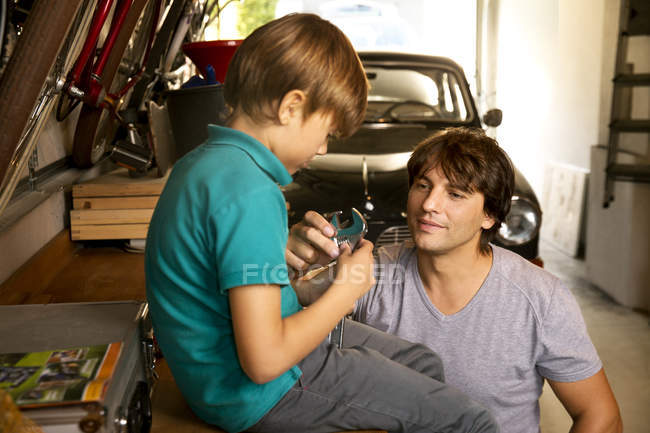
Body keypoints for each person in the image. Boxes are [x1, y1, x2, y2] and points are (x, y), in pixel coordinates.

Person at [145, 14, 498, 433]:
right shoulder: (251, 193)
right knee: (471, 421)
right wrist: (345, 292)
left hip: (214, 376)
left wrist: (308, 288)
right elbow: (264, 361)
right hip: (259, 392)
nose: (324, 147)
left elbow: (225, 291)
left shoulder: (205, 164)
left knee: (423, 363)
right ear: (291, 107)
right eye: (327, 130)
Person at [288, 127, 623, 433]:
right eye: (423, 185)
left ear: (490, 216)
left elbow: (600, 416)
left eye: (456, 194)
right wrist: (288, 258)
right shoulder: (371, 272)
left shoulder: (540, 297)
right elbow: (268, 314)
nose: (429, 204)